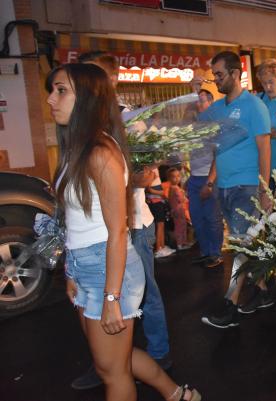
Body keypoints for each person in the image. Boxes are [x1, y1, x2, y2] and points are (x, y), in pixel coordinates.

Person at [47, 63, 200, 401]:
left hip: (110, 270)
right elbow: (76, 224)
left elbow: (118, 231)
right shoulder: (75, 149)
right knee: (114, 362)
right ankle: (177, 394)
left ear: (87, 98)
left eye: (61, 91)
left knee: (113, 373)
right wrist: (71, 272)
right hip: (86, 266)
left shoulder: (101, 154)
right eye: (52, 90)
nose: (50, 99)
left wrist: (112, 298)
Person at [72, 52, 172, 391]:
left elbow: (150, 171)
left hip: (132, 224)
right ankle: (113, 363)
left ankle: (159, 354)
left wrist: (123, 178)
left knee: (146, 295)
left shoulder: (130, 121)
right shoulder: (82, 131)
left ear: (110, 80)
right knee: (108, 323)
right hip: (95, 240)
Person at [199, 51, 272, 328]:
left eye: (219, 74)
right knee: (245, 243)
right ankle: (264, 292)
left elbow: (265, 148)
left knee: (241, 243)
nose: (215, 80)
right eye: (214, 75)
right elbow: (206, 140)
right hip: (224, 187)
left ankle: (230, 302)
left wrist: (264, 189)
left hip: (247, 186)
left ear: (235, 73)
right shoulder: (216, 110)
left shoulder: (254, 106)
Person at [186, 88, 225, 268]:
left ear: (211, 103)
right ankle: (206, 252)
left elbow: (219, 156)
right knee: (197, 218)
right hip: (194, 178)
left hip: (210, 179)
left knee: (212, 218)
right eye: (196, 101)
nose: (198, 104)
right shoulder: (194, 127)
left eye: (202, 100)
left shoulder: (215, 127)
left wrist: (209, 182)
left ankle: (216, 254)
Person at [146, 168, 176, 257]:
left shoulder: (153, 168)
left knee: (161, 225)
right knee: (159, 225)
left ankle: (161, 246)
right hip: (155, 201)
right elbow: (149, 189)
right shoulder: (150, 169)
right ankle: (159, 248)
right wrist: (162, 193)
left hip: (157, 201)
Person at [167, 168, 192, 251]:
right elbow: (181, 199)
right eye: (174, 177)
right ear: (169, 178)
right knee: (180, 226)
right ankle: (180, 243)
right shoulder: (175, 188)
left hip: (177, 210)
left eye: (178, 176)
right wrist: (185, 196)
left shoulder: (173, 187)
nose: (177, 178)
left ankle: (183, 242)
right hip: (178, 210)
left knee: (182, 225)